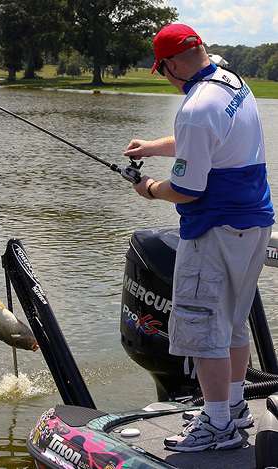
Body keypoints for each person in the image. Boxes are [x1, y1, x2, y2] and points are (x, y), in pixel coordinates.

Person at [124, 23, 275, 452]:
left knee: (202, 326)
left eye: (163, 70)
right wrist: (153, 147)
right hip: (252, 225)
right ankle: (230, 406)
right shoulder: (231, 84)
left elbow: (187, 188)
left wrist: (150, 188)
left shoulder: (195, 108)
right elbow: (206, 143)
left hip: (214, 230)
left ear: (169, 64)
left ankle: (218, 426)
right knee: (231, 321)